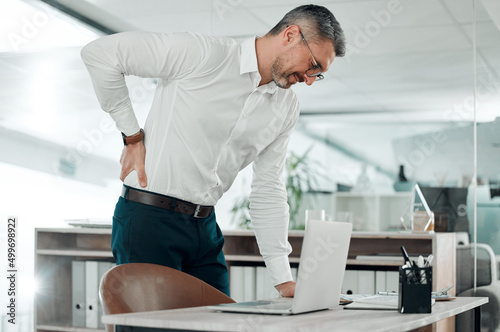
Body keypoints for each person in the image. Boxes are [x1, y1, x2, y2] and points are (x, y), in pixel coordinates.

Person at [81, 4, 345, 298]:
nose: (309, 79)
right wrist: (132, 136)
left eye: (318, 74)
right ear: (291, 35)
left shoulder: (286, 107)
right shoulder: (204, 54)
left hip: (205, 228)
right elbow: (100, 54)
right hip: (148, 219)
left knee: (220, 323)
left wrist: (283, 279)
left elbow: (268, 188)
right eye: (313, 66)